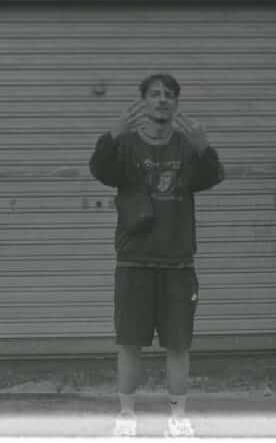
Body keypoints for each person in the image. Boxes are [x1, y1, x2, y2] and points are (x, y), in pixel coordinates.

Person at [89, 73, 225, 437]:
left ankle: (178, 418)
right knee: (129, 342)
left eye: (169, 95)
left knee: (178, 344)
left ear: (176, 104)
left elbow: (212, 177)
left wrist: (204, 149)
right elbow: (99, 171)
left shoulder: (185, 146)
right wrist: (110, 137)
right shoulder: (127, 146)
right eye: (154, 94)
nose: (162, 100)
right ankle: (126, 415)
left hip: (178, 263)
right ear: (143, 103)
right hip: (134, 262)